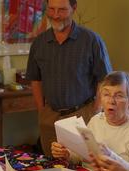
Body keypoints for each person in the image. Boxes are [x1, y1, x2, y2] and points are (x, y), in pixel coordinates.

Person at [26, 0, 112, 156]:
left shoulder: (92, 40)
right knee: (50, 167)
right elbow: (35, 79)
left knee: (82, 167)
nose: (56, 15)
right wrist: (41, 110)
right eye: (51, 9)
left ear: (74, 8)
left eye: (62, 10)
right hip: (49, 117)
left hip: (82, 116)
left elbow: (104, 80)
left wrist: (95, 111)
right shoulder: (39, 43)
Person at [51, 71, 129, 171]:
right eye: (106, 94)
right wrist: (67, 154)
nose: (111, 101)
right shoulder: (96, 120)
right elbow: (84, 156)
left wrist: (110, 156)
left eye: (119, 96)